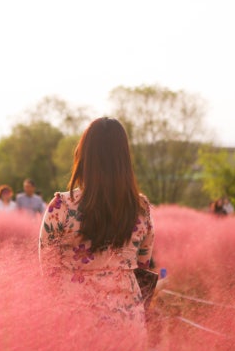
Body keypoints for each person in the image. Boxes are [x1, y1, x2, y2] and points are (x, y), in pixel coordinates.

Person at [39, 117, 155, 332]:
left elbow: (47, 271)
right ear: (124, 158)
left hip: (74, 323)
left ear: (84, 157)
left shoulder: (61, 207)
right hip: (127, 321)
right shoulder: (141, 207)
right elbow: (143, 265)